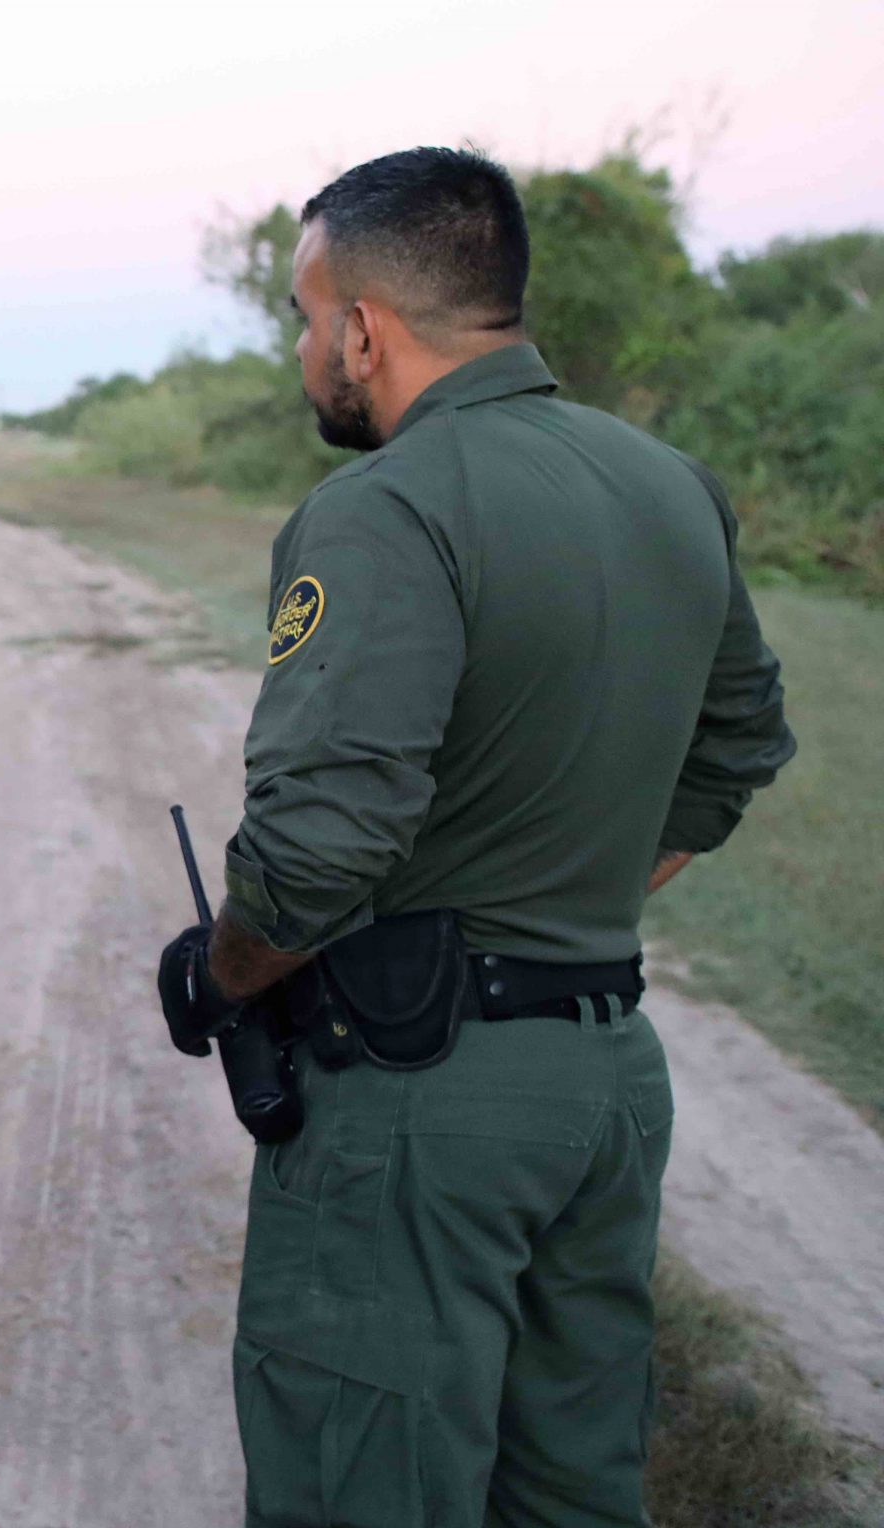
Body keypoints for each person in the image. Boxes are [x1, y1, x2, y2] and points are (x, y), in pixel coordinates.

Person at [154, 147, 794, 1526]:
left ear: (362, 330)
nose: (305, 348)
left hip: (419, 1104)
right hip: (606, 1083)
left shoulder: (384, 507)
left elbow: (321, 845)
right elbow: (737, 749)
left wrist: (228, 974)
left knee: (362, 1487)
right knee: (570, 1491)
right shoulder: (669, 483)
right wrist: (563, 896)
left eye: (303, 316)